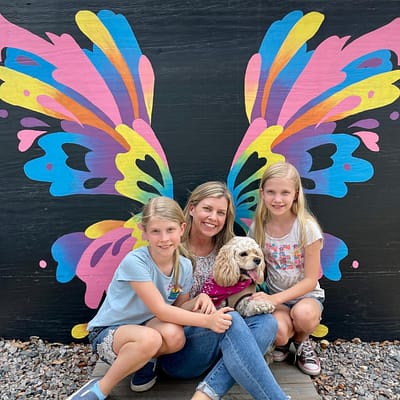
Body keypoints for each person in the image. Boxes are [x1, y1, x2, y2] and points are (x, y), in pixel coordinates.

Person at [66, 196, 234, 400]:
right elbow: (161, 311)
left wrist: (201, 299)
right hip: (110, 332)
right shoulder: (135, 261)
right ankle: (99, 389)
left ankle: (146, 361)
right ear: (144, 232)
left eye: (170, 230)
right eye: (156, 231)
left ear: (181, 229)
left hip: (146, 326)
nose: (164, 238)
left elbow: (180, 308)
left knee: (175, 336)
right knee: (151, 338)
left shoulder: (184, 265)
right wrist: (207, 321)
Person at [159, 181, 289, 400]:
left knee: (267, 322)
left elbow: (242, 298)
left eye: (221, 213)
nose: (213, 217)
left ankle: (206, 393)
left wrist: (254, 289)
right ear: (192, 208)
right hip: (182, 350)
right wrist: (201, 301)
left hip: (220, 346)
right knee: (232, 318)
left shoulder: (231, 249)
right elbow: (165, 311)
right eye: (207, 209)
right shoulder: (172, 248)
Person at [248, 162, 324, 376]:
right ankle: (284, 342)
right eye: (271, 192)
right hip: (276, 297)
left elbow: (310, 279)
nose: (277, 199)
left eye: (284, 192)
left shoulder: (307, 228)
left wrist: (274, 300)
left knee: (304, 314)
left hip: (306, 296)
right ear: (262, 193)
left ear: (296, 194)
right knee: (279, 333)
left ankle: (301, 342)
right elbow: (255, 265)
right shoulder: (258, 227)